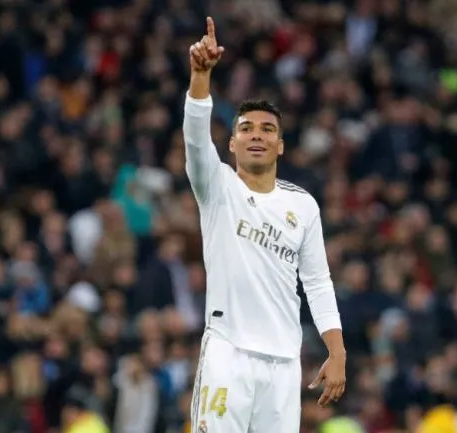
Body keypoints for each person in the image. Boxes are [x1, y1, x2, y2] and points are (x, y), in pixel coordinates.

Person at [183, 17, 347, 433]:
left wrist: (337, 351)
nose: (257, 135)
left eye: (267, 129)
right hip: (228, 353)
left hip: (283, 363)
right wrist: (200, 78)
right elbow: (196, 139)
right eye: (246, 129)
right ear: (232, 143)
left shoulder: (303, 205)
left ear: (281, 144)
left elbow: (318, 281)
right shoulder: (216, 186)